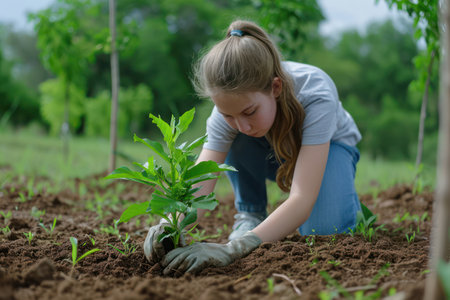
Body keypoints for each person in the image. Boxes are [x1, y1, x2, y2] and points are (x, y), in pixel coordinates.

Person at [143, 19, 362, 276]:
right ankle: (251, 213)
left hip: (328, 150)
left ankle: (341, 194)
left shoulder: (316, 93)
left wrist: (234, 249)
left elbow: (302, 198)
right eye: (228, 115)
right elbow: (202, 181)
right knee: (237, 135)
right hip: (268, 153)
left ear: (275, 87)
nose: (242, 125)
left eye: (249, 112)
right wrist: (171, 224)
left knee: (325, 232)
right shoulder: (230, 115)